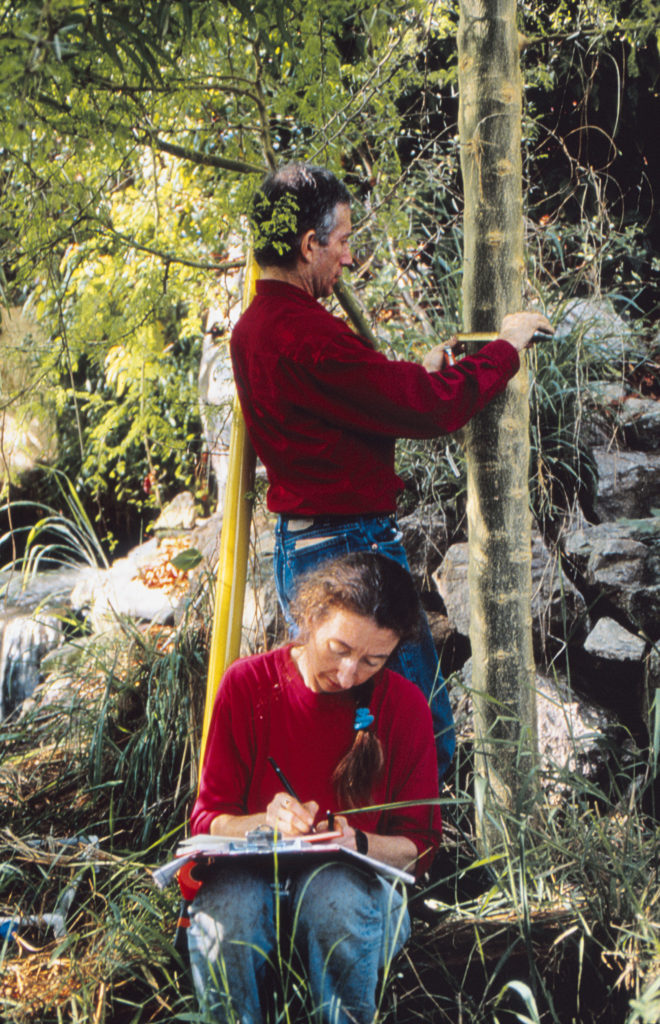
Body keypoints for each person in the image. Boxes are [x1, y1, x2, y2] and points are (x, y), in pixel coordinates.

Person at [230, 162, 553, 780]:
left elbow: (336, 415)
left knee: (347, 735)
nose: (348, 259)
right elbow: (426, 410)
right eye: (344, 241)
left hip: (305, 547)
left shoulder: (252, 330)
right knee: (419, 735)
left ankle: (356, 861)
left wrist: (415, 371)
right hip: (350, 555)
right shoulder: (307, 333)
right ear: (308, 245)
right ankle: (419, 869)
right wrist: (505, 349)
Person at [187, 552, 442, 1024]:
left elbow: (420, 846)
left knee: (335, 898)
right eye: (339, 649)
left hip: (356, 901)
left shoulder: (405, 708)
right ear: (309, 615)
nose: (348, 675)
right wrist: (266, 821)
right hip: (254, 884)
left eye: (373, 660)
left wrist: (357, 841)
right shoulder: (247, 685)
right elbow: (207, 820)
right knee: (227, 912)